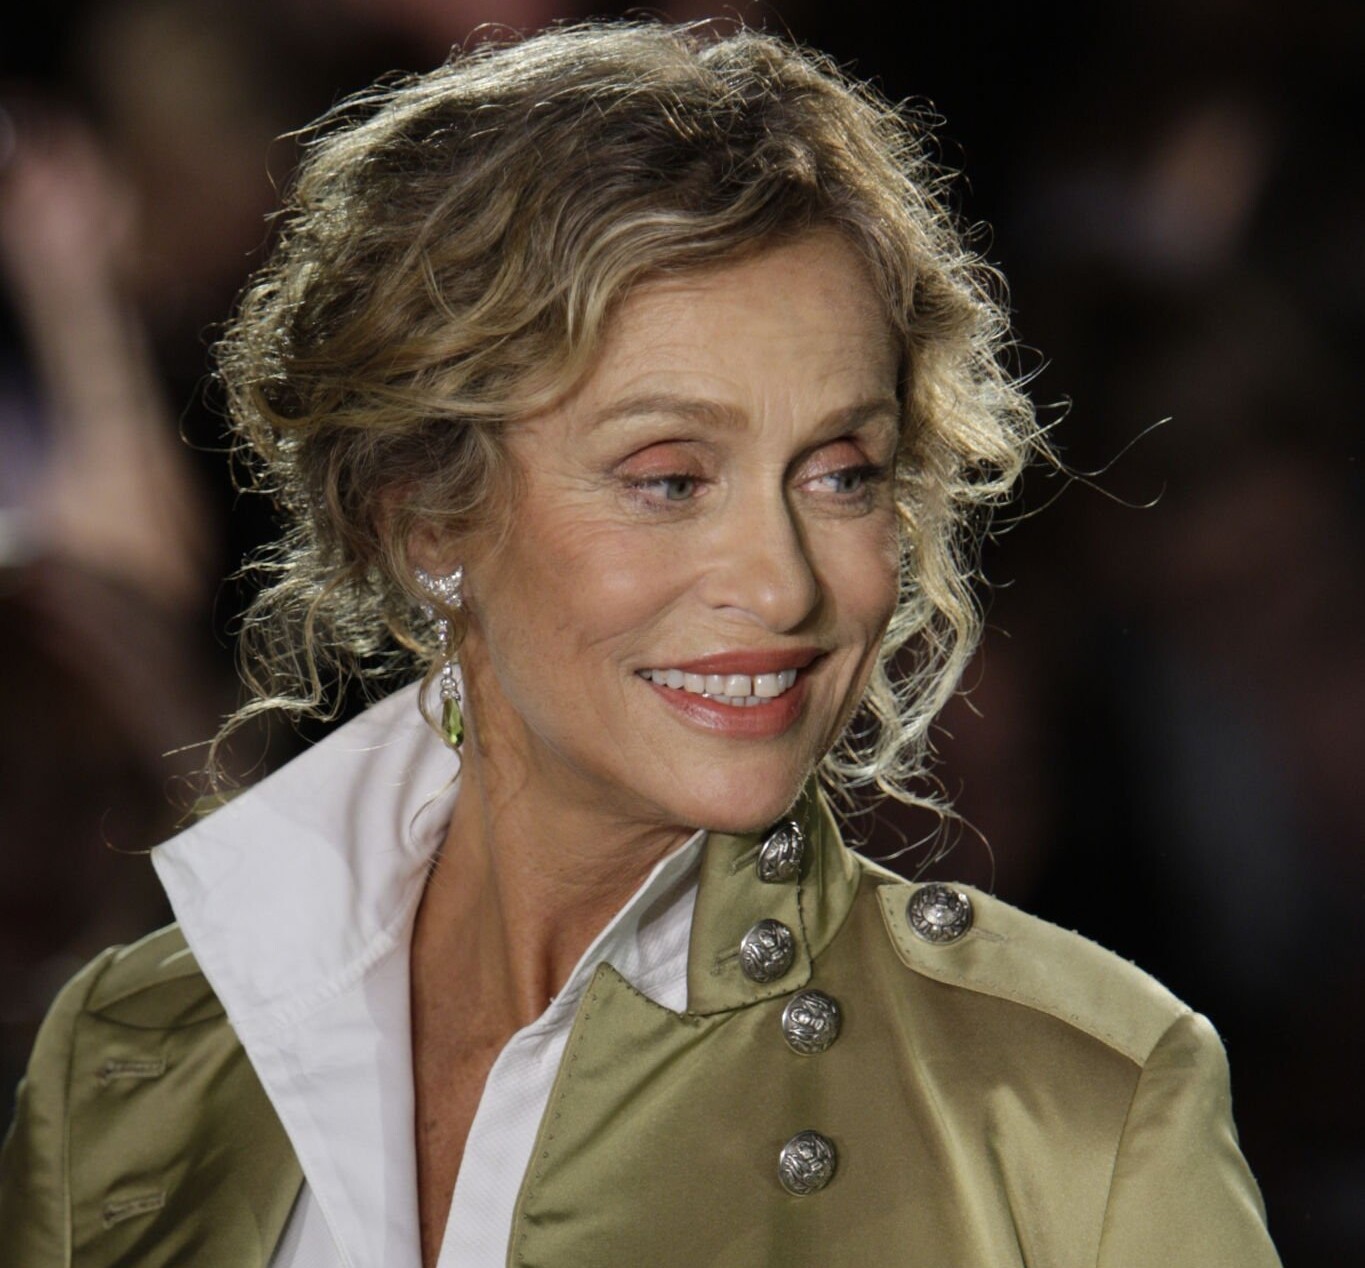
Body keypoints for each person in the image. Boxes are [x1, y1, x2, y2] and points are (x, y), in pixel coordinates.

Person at [0, 21, 1280, 1267]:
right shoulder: (126, 1054)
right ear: (426, 515)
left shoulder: (1074, 1104)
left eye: (842, 473)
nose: (782, 582)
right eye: (669, 479)